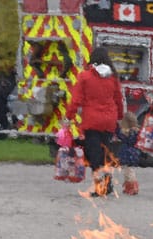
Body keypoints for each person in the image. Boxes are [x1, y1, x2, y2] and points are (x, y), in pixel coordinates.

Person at [65, 46, 123, 197]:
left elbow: (76, 99)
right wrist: (120, 116)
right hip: (109, 120)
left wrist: (69, 116)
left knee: (93, 154)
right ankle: (107, 183)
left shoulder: (85, 76)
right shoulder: (113, 78)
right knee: (105, 152)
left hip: (92, 120)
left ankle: (100, 186)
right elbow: (118, 99)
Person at [115, 111, 140, 195]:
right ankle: (129, 188)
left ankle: (132, 188)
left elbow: (120, 136)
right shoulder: (137, 131)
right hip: (134, 154)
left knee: (129, 173)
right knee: (129, 172)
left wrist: (116, 127)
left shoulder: (126, 132)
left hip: (127, 154)